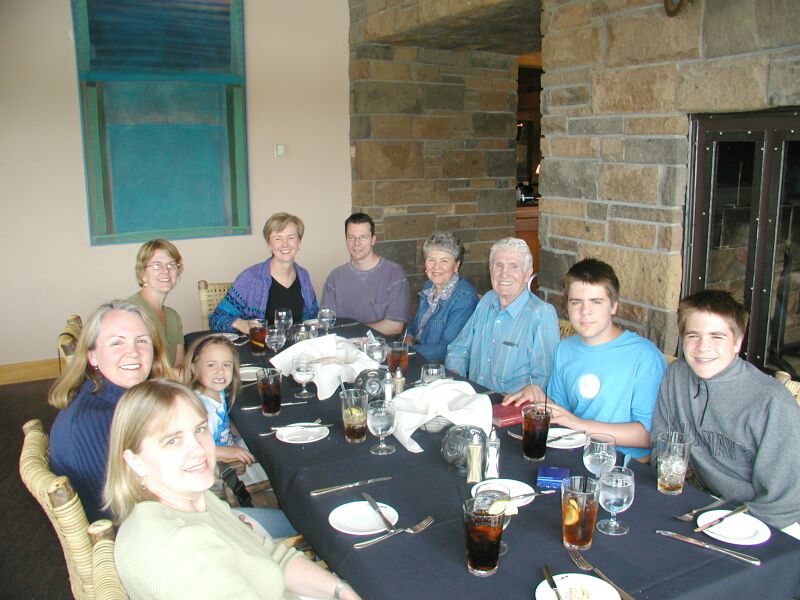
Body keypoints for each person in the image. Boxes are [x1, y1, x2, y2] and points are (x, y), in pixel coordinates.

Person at [105, 379, 361, 600]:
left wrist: (340, 590)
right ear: (134, 461)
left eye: (199, 429)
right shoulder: (179, 547)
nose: (198, 449)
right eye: (172, 441)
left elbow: (272, 555)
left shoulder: (194, 497)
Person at [651, 290, 800, 535]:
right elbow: (662, 445)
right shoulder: (677, 376)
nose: (703, 347)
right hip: (705, 504)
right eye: (693, 335)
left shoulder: (771, 402)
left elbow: (785, 502)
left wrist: (725, 523)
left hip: (767, 522)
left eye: (717, 336)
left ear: (737, 342)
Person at [504, 258, 666, 460]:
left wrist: (579, 425)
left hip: (623, 463)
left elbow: (649, 435)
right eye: (576, 302)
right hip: (574, 451)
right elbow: (564, 412)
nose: (585, 312)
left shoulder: (644, 356)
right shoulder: (565, 348)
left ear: (614, 306)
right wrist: (541, 397)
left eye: (596, 302)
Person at [48, 300, 172, 521]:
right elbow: (121, 511)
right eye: (117, 342)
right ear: (92, 356)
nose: (133, 352)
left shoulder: (117, 398)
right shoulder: (94, 423)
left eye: (142, 340)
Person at [445, 237, 559, 394]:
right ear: (490, 270)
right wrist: (454, 377)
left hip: (510, 406)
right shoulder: (487, 300)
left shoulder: (541, 314)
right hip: (473, 399)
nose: (504, 274)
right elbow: (459, 348)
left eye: (514, 266)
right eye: (498, 265)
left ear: (528, 273)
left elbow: (544, 379)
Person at [210, 212, 318, 333]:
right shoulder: (250, 278)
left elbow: (313, 317)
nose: (285, 244)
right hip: (259, 344)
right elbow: (216, 319)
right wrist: (240, 323)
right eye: (278, 238)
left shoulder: (303, 276)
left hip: (298, 344)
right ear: (269, 244)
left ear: (299, 242)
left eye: (291, 237)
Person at [321, 213, 409, 336]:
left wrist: (353, 330)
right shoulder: (335, 278)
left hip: (381, 345)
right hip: (343, 345)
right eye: (351, 237)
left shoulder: (394, 274)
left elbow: (395, 326)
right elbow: (326, 324)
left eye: (363, 237)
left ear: (373, 239)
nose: (356, 243)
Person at [403, 232, 478, 361]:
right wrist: (408, 338)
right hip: (417, 355)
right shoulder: (429, 286)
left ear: (456, 265)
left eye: (444, 261)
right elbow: (415, 327)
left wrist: (403, 352)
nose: (436, 267)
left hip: (439, 365)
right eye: (431, 260)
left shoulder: (464, 298)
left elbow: (445, 349)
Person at [127, 239, 185, 366]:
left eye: (171, 264)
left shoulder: (173, 317)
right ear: (142, 273)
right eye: (157, 265)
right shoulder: (130, 312)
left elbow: (179, 367)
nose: (166, 270)